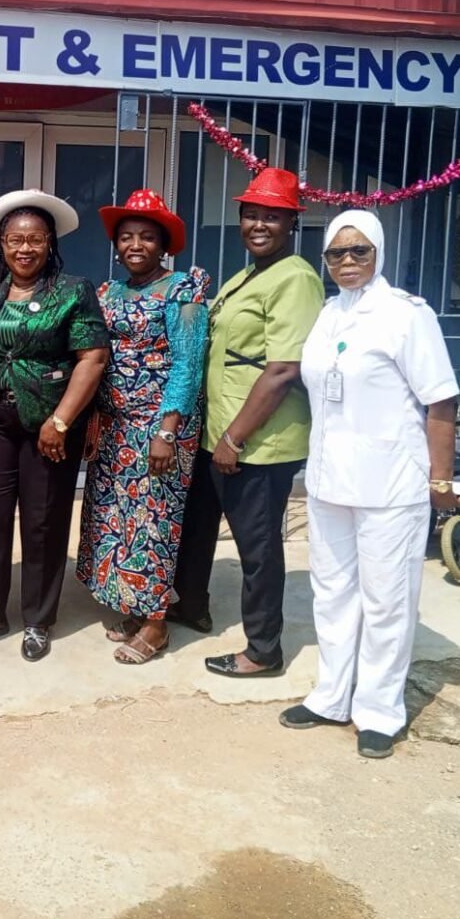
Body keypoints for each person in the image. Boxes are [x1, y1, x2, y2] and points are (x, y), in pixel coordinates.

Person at [280, 210, 458, 758]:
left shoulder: (407, 316)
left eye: (360, 251)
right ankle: (332, 696)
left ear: (378, 252)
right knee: (332, 594)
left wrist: (442, 477)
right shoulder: (330, 312)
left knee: (387, 601)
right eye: (337, 252)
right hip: (331, 480)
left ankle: (380, 709)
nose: (348, 261)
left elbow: (441, 400)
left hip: (391, 483)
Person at [169, 168, 324, 677]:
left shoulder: (296, 277)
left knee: (257, 548)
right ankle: (189, 604)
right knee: (197, 527)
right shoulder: (248, 275)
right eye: (251, 214)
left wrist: (236, 438)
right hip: (218, 433)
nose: (259, 224)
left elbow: (282, 370)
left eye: (272, 216)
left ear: (291, 223)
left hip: (257, 442)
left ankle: (263, 650)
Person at [0, 189, 109, 662]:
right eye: (16, 240)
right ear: (1, 244)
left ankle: (39, 620)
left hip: (51, 429)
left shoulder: (74, 290)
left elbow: (94, 357)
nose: (25, 249)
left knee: (43, 523)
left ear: (50, 244)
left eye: (35, 240)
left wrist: (61, 421)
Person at [77, 190, 210, 664]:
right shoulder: (108, 292)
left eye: (147, 237)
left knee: (154, 521)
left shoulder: (183, 292)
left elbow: (188, 365)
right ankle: (134, 604)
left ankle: (155, 624)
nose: (136, 244)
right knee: (118, 520)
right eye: (127, 236)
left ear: (164, 244)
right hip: (114, 427)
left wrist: (167, 429)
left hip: (158, 428)